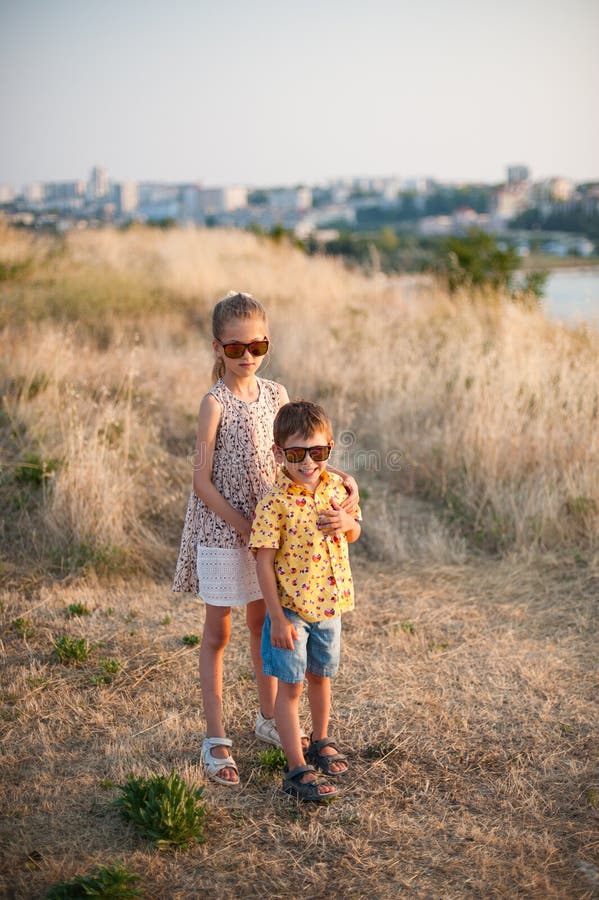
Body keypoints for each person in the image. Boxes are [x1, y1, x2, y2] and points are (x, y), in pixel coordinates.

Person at [173, 292, 358, 786]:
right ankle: (216, 738)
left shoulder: (276, 394)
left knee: (263, 625)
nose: (247, 356)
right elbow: (201, 480)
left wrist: (348, 486)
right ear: (218, 348)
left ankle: (269, 718)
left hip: (274, 530)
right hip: (225, 527)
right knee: (219, 634)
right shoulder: (214, 403)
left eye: (257, 346)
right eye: (235, 349)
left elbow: (304, 456)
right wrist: (242, 526)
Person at [250, 400, 361, 803]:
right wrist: (276, 619)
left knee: (321, 676)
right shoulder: (273, 502)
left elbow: (353, 533)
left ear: (329, 447)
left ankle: (321, 739)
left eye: (318, 452)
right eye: (296, 454)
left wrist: (350, 524)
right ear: (279, 453)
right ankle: (297, 766)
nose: (308, 463)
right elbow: (263, 563)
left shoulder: (337, 490)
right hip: (292, 611)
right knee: (292, 687)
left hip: (330, 605)